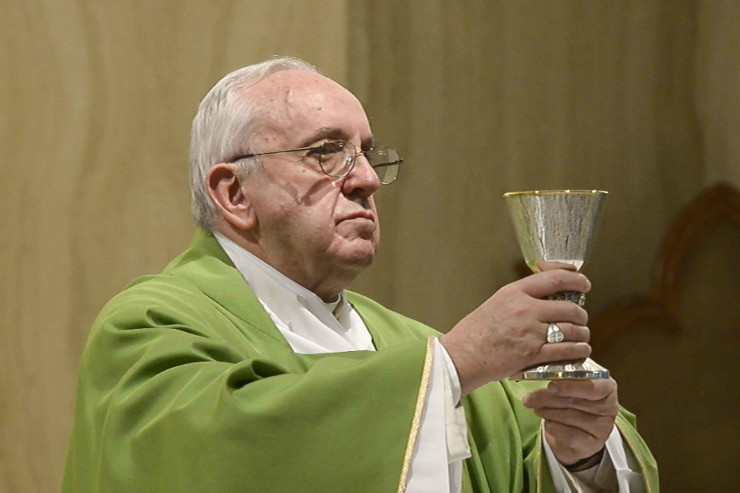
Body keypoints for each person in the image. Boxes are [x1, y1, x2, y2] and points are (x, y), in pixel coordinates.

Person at [63, 56, 657, 492]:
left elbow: (530, 457)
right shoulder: (150, 326)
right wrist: (456, 363)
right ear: (234, 192)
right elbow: (222, 457)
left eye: (368, 153)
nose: (367, 179)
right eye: (326, 152)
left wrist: (578, 456)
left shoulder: (405, 343)